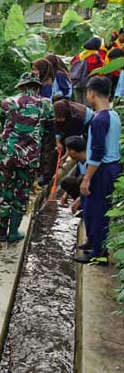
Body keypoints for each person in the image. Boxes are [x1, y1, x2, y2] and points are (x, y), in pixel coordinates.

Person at [0, 73, 52, 243]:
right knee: (21, 194)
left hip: (7, 156)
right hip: (30, 159)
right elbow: (50, 125)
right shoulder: (46, 104)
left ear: (21, 86)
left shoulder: (9, 102)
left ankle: (1, 233)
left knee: (4, 193)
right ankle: (14, 232)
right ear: (37, 87)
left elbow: (3, 114)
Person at [76, 76, 121, 265]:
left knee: (97, 210)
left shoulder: (99, 120)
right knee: (94, 208)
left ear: (92, 93)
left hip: (101, 169)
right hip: (111, 167)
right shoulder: (113, 115)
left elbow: (98, 151)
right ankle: (93, 243)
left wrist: (87, 178)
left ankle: (98, 254)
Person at [33, 58, 60, 186]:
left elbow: (45, 103)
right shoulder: (42, 83)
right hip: (43, 119)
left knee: (47, 148)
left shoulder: (47, 85)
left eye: (36, 69)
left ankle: (45, 175)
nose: (34, 72)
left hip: (48, 121)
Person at [70, 37, 105, 103]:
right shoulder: (96, 57)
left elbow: (72, 66)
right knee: (87, 105)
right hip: (88, 83)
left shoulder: (79, 55)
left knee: (78, 104)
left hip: (76, 82)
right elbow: (99, 71)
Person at [59, 136, 86, 216]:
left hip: (93, 191)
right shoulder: (79, 161)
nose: (67, 154)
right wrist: (66, 194)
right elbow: (76, 177)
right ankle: (82, 206)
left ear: (73, 152)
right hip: (83, 188)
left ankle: (85, 206)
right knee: (66, 182)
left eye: (68, 151)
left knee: (81, 179)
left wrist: (79, 200)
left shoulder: (90, 163)